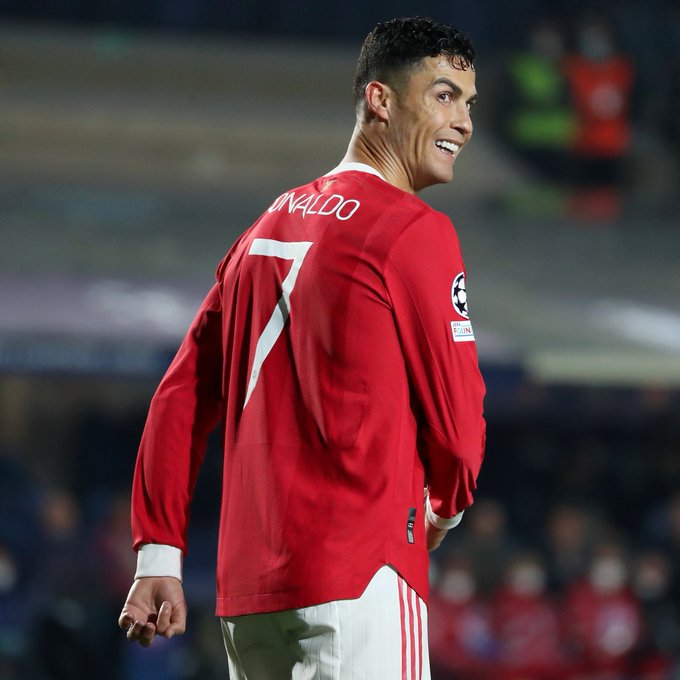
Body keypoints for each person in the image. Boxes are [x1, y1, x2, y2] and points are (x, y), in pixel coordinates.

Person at [118, 16, 486, 679]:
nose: (462, 122)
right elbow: (459, 433)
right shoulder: (414, 231)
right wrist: (443, 511)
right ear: (380, 99)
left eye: (468, 104)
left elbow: (179, 398)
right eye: (443, 96)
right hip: (362, 579)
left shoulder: (264, 228)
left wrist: (158, 556)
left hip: (249, 600)